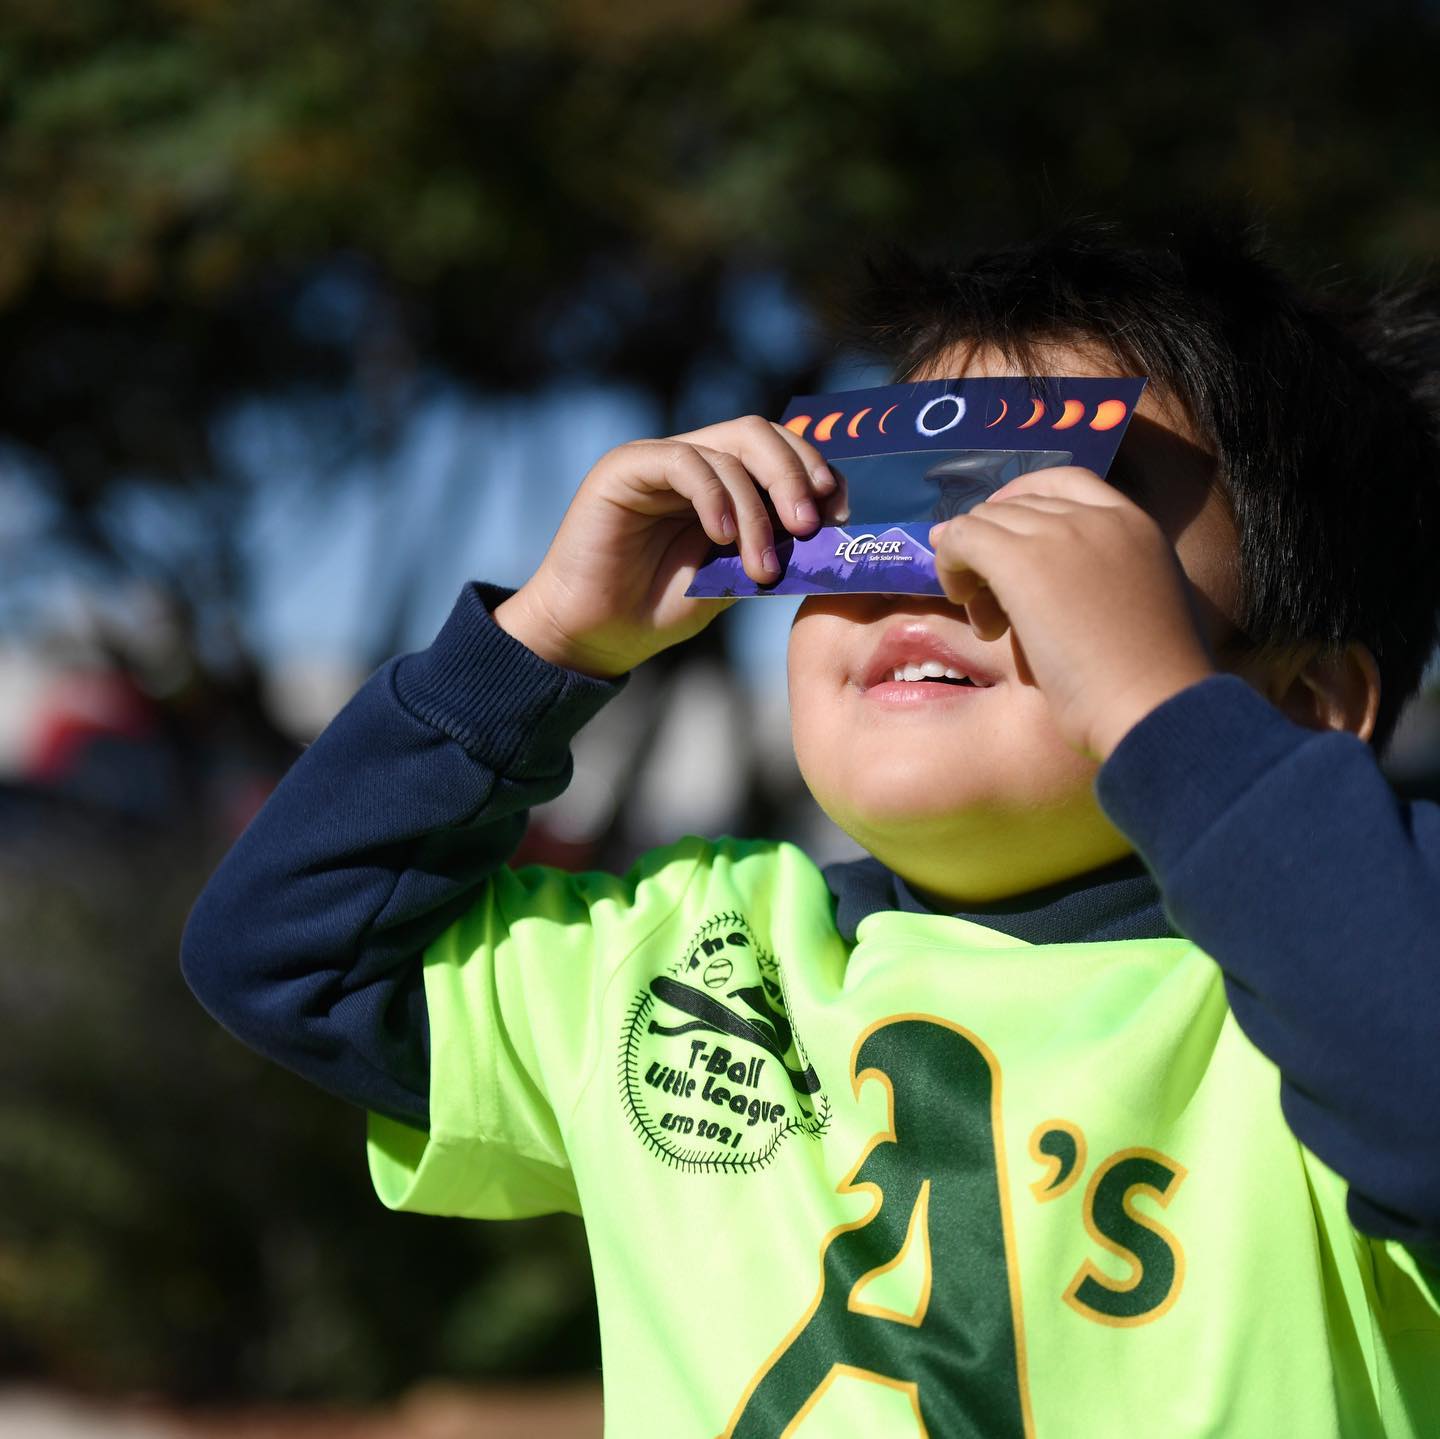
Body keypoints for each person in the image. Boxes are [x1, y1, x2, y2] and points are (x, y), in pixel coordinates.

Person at [181, 220, 1440, 1437]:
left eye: (1058, 516)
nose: (935, 559)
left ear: (1308, 702)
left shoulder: (1342, 978)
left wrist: (1166, 716)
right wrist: (542, 645)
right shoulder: (679, 954)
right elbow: (291, 958)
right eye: (880, 506)